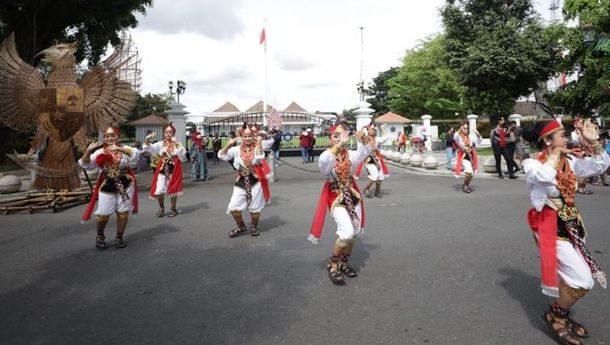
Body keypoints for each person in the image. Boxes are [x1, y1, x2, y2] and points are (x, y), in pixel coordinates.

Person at [522, 119, 609, 345]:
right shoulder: (531, 163)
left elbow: (599, 166)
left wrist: (595, 143)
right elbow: (543, 177)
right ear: (547, 140)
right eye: (561, 135)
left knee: (582, 279)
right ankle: (556, 314)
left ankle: (558, 310)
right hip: (550, 227)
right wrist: (557, 154)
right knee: (582, 280)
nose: (566, 138)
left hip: (572, 226)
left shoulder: (569, 160)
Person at [308, 123, 372, 285]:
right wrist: (340, 144)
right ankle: (333, 264)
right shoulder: (326, 155)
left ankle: (344, 263)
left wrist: (363, 137)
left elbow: (365, 152)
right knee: (346, 232)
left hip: (352, 195)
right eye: (335, 136)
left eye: (341, 135)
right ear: (329, 139)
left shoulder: (350, 154)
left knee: (354, 233)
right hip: (336, 197)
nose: (339, 138)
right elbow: (324, 167)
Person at [78, 127, 139, 249]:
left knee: (123, 212)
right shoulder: (100, 152)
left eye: (113, 135)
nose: (110, 138)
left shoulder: (125, 149)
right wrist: (88, 151)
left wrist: (119, 149)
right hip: (108, 183)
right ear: (104, 138)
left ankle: (119, 237)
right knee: (103, 213)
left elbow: (135, 156)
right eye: (107, 136)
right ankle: (100, 236)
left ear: (118, 136)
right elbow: (86, 164)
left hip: (125, 182)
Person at [218, 127, 274, 237]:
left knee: (255, 207)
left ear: (253, 136)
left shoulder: (257, 146)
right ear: (241, 137)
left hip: (255, 181)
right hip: (241, 181)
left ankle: (254, 227)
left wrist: (258, 142)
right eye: (245, 136)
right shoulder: (236, 149)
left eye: (249, 136)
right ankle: (241, 226)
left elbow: (259, 156)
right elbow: (222, 155)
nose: (247, 138)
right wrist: (228, 145)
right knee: (233, 206)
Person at [142, 124, 187, 217]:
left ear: (173, 133)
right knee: (159, 190)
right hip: (162, 169)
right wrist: (147, 140)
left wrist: (175, 147)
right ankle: (161, 207)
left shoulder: (177, 143)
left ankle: (173, 208)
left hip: (173, 170)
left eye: (170, 132)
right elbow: (151, 149)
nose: (168, 134)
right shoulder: (161, 143)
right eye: (166, 132)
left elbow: (182, 153)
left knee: (173, 190)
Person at [355, 123, 390, 198]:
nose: (372, 131)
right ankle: (366, 189)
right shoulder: (364, 138)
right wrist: (361, 128)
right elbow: (358, 138)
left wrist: (383, 129)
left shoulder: (377, 139)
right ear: (367, 130)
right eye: (371, 129)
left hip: (377, 158)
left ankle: (377, 192)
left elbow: (386, 137)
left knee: (380, 176)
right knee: (375, 175)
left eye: (374, 129)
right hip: (369, 159)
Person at [454, 120, 482, 193]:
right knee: (469, 172)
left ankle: (466, 184)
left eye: (467, 128)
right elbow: (455, 137)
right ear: (461, 129)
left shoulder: (470, 137)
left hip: (471, 157)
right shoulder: (459, 138)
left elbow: (478, 141)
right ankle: (465, 186)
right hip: (463, 157)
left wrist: (478, 135)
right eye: (464, 128)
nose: (466, 130)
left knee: (471, 174)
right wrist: (459, 130)